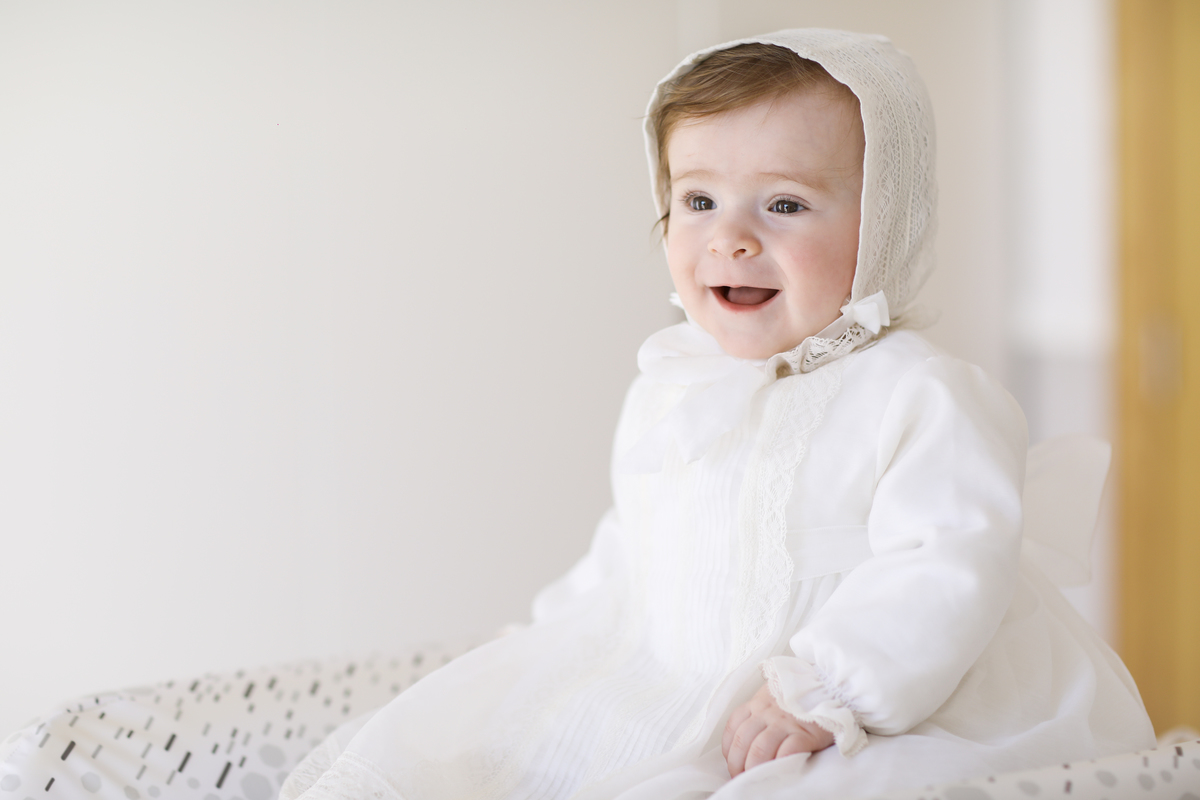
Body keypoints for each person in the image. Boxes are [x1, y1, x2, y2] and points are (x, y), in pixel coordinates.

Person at [280, 28, 1155, 800]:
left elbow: (948, 565)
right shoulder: (673, 385)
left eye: (784, 204)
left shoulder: (919, 392)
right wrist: (550, 639)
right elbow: (637, 544)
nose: (730, 238)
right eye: (698, 201)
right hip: (692, 676)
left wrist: (828, 689)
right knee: (484, 750)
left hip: (892, 694)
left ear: (887, 221)